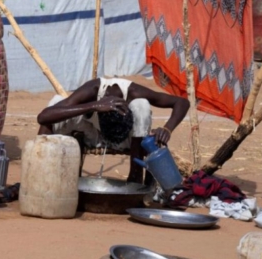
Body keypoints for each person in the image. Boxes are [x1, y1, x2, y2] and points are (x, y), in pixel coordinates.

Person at [36, 78, 190, 185]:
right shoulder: (92, 90)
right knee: (56, 103)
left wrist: (167, 129)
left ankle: (135, 179)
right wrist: (93, 106)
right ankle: (39, 173)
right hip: (95, 134)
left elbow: (182, 102)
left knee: (142, 105)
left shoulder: (134, 92)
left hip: (128, 140)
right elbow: (43, 117)